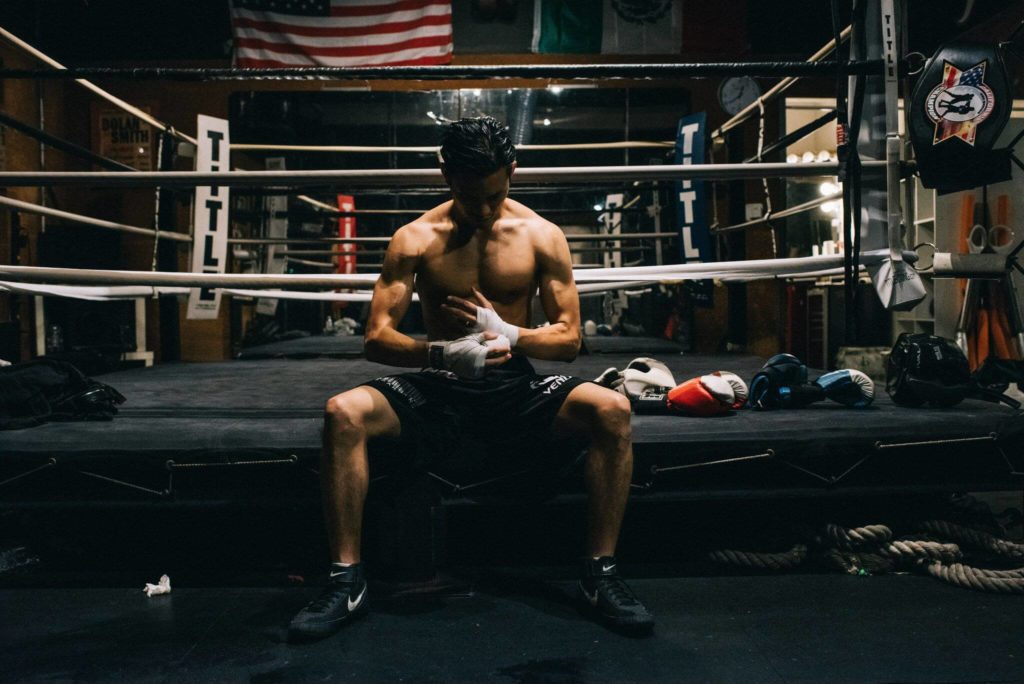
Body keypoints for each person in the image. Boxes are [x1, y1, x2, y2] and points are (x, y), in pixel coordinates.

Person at [289, 116, 653, 642]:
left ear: (512, 172)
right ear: (445, 176)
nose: (482, 210)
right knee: (342, 412)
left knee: (613, 410)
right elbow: (375, 338)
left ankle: (601, 575)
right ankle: (345, 581)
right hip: (439, 386)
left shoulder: (541, 236)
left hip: (516, 387)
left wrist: (513, 333)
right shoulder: (414, 238)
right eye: (468, 196)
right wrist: (440, 354)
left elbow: (570, 340)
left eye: (494, 195)